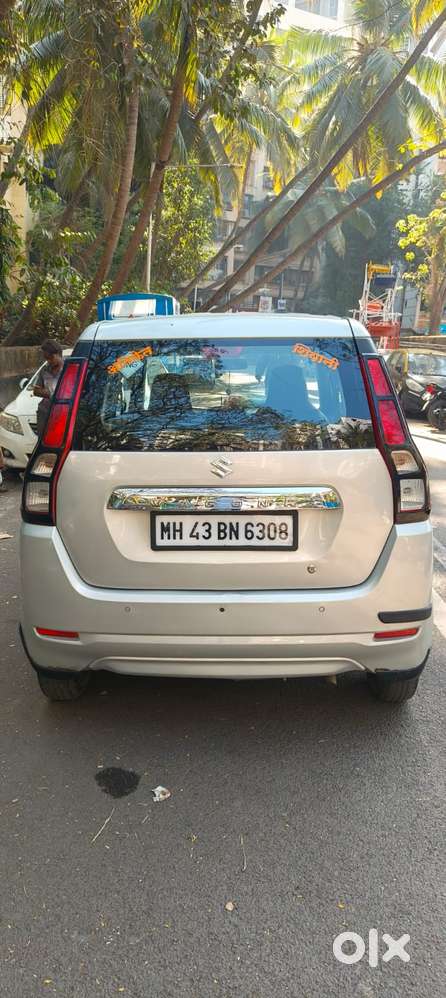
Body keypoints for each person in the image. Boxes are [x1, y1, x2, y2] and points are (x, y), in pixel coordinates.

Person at [33, 339, 64, 437]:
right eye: (46, 358)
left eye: (50, 357)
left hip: (64, 412)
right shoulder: (44, 370)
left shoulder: (70, 369)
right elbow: (36, 391)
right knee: (44, 441)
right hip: (45, 412)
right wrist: (52, 394)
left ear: (58, 353)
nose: (49, 361)